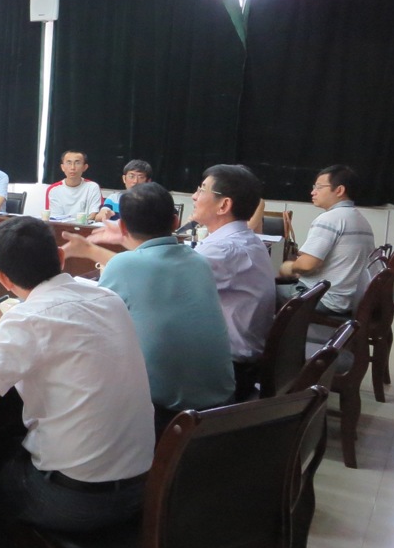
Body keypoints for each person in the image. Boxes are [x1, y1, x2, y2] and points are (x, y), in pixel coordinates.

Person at [0, 217, 153, 533]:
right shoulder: (108, 298)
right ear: (60, 256)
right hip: (143, 490)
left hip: (78, 503)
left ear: (3, 279)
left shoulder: (28, 320)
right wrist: (3, 326)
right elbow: (58, 339)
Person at [97, 183, 235, 429]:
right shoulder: (199, 261)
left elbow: (97, 327)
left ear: (123, 227)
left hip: (166, 413)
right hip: (222, 402)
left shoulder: (123, 265)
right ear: (175, 221)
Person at [189, 165, 277, 371]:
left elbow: (162, 285)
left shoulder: (223, 250)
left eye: (202, 189)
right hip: (245, 350)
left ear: (224, 205)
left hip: (228, 365)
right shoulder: (248, 240)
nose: (194, 196)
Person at [278, 165, 375, 315]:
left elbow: (307, 265)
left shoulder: (329, 219)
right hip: (347, 299)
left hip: (326, 299)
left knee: (265, 290)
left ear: (339, 190)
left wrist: (287, 267)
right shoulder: (360, 219)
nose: (313, 192)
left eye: (319, 187)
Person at [45, 150, 102, 219]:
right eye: (69, 163)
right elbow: (55, 218)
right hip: (61, 225)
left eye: (77, 163)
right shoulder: (54, 190)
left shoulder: (93, 187)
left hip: (86, 225)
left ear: (85, 167)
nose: (72, 167)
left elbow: (94, 214)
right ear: (62, 167)